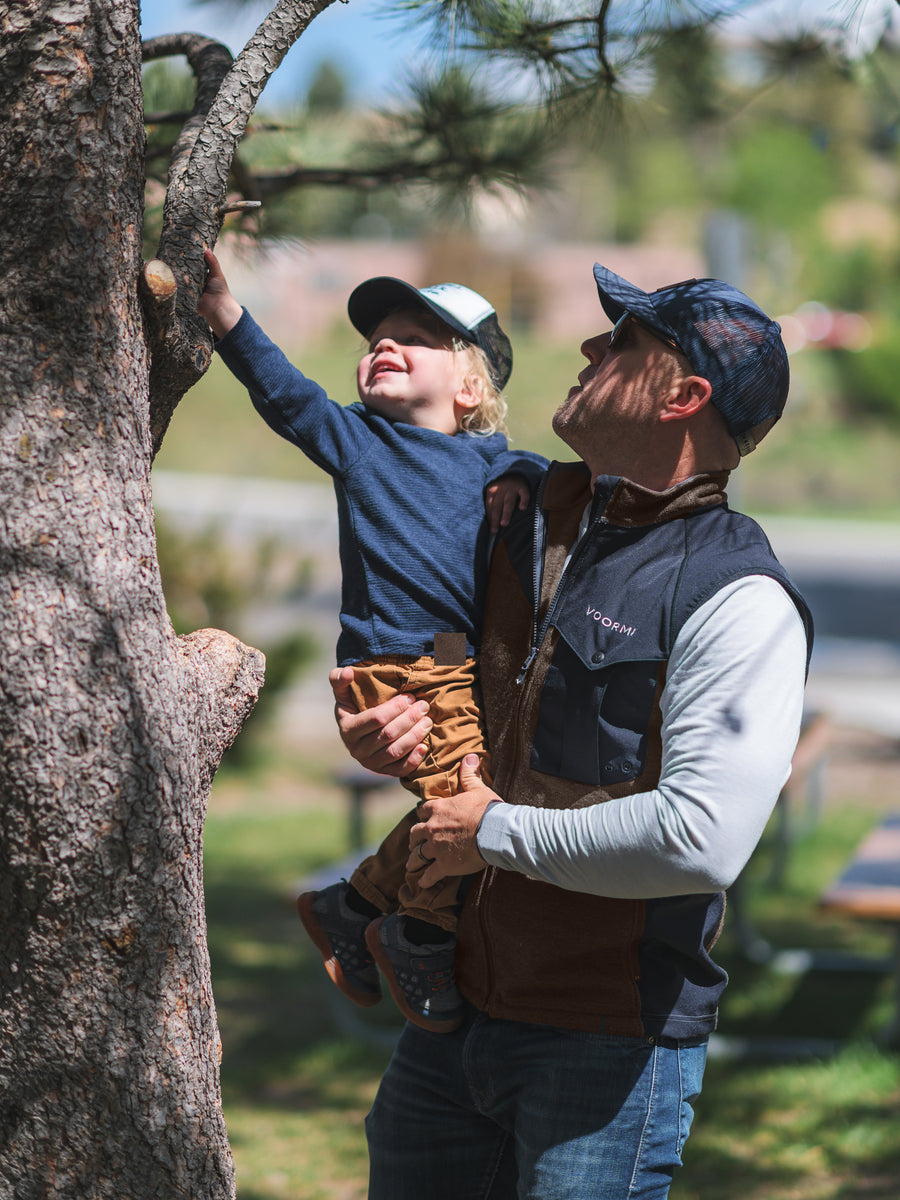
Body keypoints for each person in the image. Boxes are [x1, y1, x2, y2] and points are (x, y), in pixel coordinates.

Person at [330, 265, 814, 1199]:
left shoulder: (736, 594)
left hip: (603, 1047)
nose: (590, 348)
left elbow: (698, 840)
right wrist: (387, 737)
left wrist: (493, 835)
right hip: (449, 1019)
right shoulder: (519, 514)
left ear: (684, 396)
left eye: (625, 341)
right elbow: (455, 699)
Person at [198, 251, 547, 1034]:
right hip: (394, 665)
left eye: (414, 337)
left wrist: (523, 471)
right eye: (374, 341)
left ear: (469, 386)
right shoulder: (360, 444)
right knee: (469, 802)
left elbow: (540, 465)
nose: (382, 347)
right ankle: (418, 933)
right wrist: (225, 315)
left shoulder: (495, 462)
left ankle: (351, 903)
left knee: (473, 795)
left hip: (455, 669)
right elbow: (286, 395)